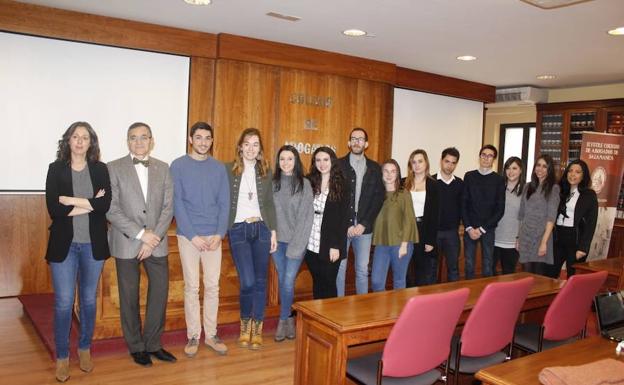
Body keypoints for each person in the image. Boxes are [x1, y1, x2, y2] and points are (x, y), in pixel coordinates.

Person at [45, 121, 111, 382]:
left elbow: (104, 204)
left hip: (92, 245)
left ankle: (84, 348)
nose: (80, 141)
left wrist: (71, 200)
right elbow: (54, 209)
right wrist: (90, 204)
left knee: (88, 301)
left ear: (91, 142)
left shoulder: (99, 169)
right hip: (65, 245)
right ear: (68, 141)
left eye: (85, 137)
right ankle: (62, 356)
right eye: (76, 137)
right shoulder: (56, 169)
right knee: (63, 302)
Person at [106, 122, 175, 367]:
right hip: (127, 241)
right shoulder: (113, 168)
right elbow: (111, 209)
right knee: (129, 296)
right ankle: (136, 346)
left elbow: (168, 207)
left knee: (159, 293)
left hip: (157, 242)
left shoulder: (164, 168)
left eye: (143, 137)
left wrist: (152, 237)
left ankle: (154, 344)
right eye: (133, 138)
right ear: (127, 142)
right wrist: (140, 235)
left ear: (151, 140)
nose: (139, 142)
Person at [170, 122, 230, 357]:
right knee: (192, 287)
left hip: (213, 236)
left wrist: (219, 233)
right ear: (190, 139)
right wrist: (192, 235)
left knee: (213, 286)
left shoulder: (218, 168)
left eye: (207, 138)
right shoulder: (178, 166)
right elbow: (178, 203)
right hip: (189, 237)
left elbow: (225, 203)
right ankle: (193, 335)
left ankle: (211, 334)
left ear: (212, 141)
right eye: (199, 137)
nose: (203, 142)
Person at [225, 128, 277, 350]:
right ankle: (244, 324)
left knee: (260, 281)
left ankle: (257, 328)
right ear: (240, 146)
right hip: (238, 230)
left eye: (255, 144)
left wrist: (273, 231)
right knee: (247, 281)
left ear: (260, 150)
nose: (251, 148)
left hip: (262, 229)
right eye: (247, 143)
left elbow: (270, 204)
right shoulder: (228, 170)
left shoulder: (266, 171)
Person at [271, 145, 314, 341]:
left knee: (288, 282)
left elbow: (307, 218)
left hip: (297, 243)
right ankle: (288, 319)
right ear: (278, 163)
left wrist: (296, 247)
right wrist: (271, 238)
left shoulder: (304, 184)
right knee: (283, 281)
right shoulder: (273, 184)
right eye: (282, 159)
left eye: (289, 159)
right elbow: (268, 214)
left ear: (296, 161)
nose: (286, 163)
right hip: (276, 243)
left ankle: (282, 320)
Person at [336, 128, 384, 296]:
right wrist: (348, 223)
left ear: (366, 143)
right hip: (343, 226)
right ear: (349, 143)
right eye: (354, 139)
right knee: (339, 268)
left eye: (360, 139)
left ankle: (361, 309)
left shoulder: (375, 168)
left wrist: (364, 223)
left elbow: (378, 199)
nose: (357, 142)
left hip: (365, 227)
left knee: (362, 270)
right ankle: (339, 306)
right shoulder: (338, 165)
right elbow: (335, 197)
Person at [305, 146, 350, 299]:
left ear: (332, 161)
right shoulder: (310, 182)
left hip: (330, 242)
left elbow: (343, 219)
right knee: (317, 281)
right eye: (318, 160)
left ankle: (329, 320)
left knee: (329, 282)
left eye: (326, 160)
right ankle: (317, 318)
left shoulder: (341, 184)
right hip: (311, 241)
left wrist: (336, 246)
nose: (322, 163)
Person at [370, 159, 419, 291]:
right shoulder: (376, 194)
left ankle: (399, 311)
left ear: (397, 174)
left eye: (393, 171)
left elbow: (409, 220)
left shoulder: (404, 194)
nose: (389, 174)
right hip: (381, 243)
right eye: (386, 171)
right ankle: (382, 310)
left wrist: (404, 245)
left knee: (398, 281)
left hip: (401, 244)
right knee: (376, 281)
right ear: (381, 173)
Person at [462, 144, 505, 279]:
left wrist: (482, 229)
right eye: (484, 155)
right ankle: (469, 294)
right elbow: (464, 204)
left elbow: (500, 209)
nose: (486, 158)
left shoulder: (499, 179)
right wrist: (469, 227)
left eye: (490, 156)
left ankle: (487, 296)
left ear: (494, 159)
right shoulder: (469, 176)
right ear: (479, 157)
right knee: (469, 264)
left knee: (487, 265)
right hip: (470, 228)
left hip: (488, 229)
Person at [551, 159, 598, 278]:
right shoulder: (560, 191)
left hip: (575, 240)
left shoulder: (589, 195)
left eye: (578, 172)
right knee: (550, 273)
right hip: (557, 237)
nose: (573, 174)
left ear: (583, 175)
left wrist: (583, 248)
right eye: (570, 171)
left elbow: (591, 224)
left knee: (573, 277)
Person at [517, 154, 560, 276]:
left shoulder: (553, 188)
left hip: (541, 236)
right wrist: (518, 238)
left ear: (549, 169)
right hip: (525, 236)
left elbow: (551, 218)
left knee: (538, 276)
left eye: (544, 166)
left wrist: (544, 242)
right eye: (538, 165)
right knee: (526, 275)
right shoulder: (527, 186)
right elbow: (521, 215)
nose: (540, 169)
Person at [404, 149, 439, 286]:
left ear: (426, 163)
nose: (417, 165)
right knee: (404, 270)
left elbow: (435, 215)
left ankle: (420, 304)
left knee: (422, 271)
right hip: (406, 230)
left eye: (420, 161)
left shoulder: (434, 185)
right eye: (414, 162)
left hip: (423, 230)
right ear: (410, 165)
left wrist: (430, 241)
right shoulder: (403, 183)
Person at [432, 147, 463, 282]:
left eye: (453, 163)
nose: (449, 165)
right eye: (447, 161)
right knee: (431, 268)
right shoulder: (430, 181)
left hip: (452, 233)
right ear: (441, 161)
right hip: (433, 233)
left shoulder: (460, 183)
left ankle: (455, 300)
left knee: (453, 269)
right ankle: (430, 300)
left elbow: (463, 207)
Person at [492, 157, 525, 275]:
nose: (511, 171)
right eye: (508, 168)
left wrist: (519, 237)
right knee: (490, 273)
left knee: (508, 274)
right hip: (493, 238)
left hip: (513, 241)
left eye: (514, 168)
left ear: (521, 170)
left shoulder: (526, 191)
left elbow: (525, 218)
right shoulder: (497, 187)